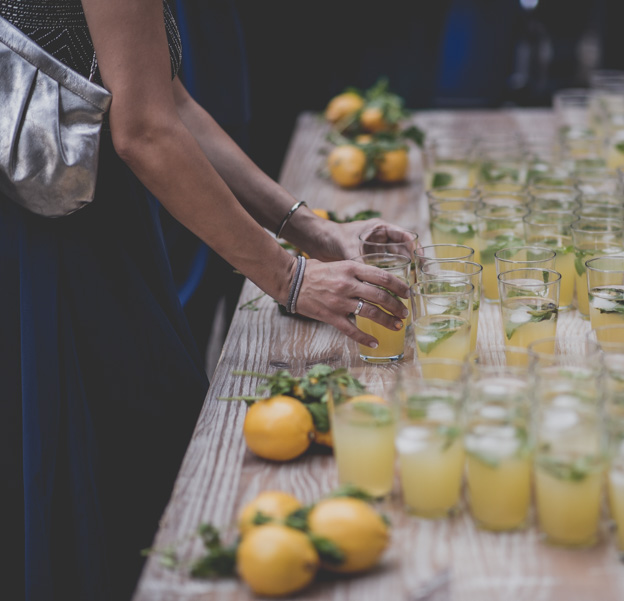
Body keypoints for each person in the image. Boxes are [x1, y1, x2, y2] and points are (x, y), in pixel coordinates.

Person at [0, 1, 411, 599]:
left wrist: (312, 233)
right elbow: (143, 132)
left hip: (92, 230)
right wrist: (289, 278)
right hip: (57, 245)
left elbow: (171, 105)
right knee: (117, 485)